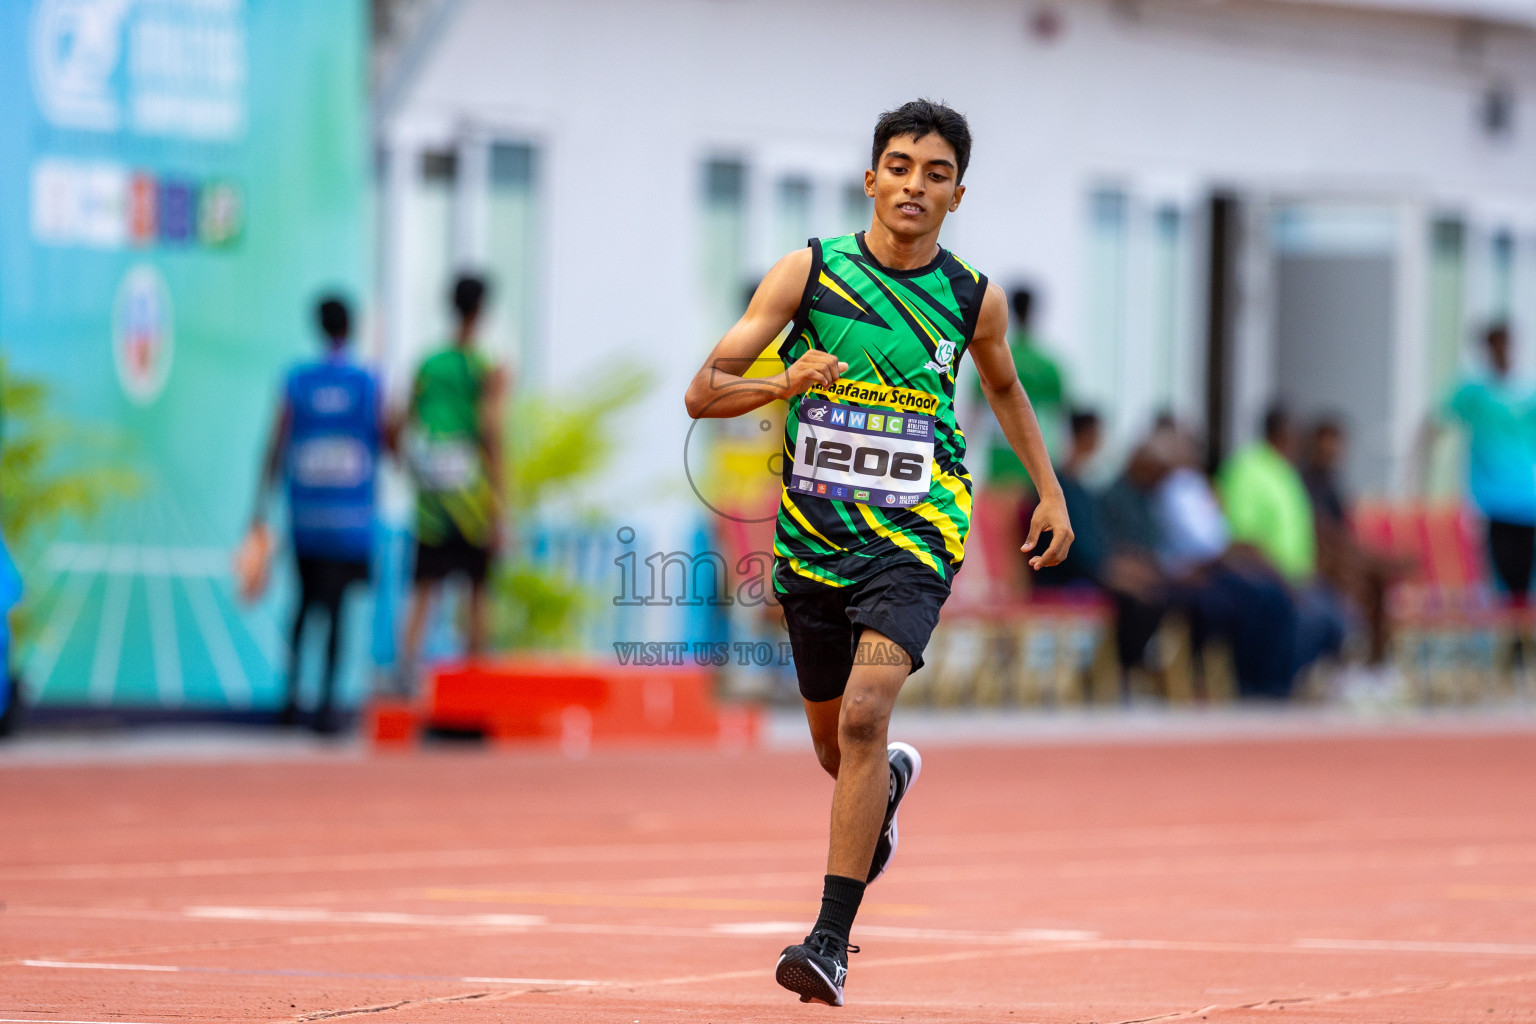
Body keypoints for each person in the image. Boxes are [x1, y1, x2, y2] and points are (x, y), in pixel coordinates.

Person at [684, 100, 1071, 1007]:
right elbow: (703, 392)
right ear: (871, 179)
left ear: (958, 194)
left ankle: (829, 942)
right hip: (815, 543)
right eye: (899, 167)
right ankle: (887, 785)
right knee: (837, 746)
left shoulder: (975, 297)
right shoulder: (809, 273)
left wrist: (1049, 491)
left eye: (935, 174)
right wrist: (786, 377)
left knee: (865, 713)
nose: (914, 185)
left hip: (917, 534)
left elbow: (1007, 392)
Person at [250, 295, 383, 733]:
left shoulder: (298, 380)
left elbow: (275, 443)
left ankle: (289, 701)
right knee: (337, 612)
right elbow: (392, 438)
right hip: (350, 523)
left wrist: (259, 507)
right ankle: (326, 707)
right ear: (353, 326)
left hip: (306, 518)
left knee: (303, 606)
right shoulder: (366, 381)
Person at [396, 275, 507, 687]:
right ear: (481, 312)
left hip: (431, 495)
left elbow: (402, 421)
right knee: (477, 591)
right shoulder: (487, 367)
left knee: (424, 586)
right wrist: (500, 498)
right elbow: (491, 431)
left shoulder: (427, 364)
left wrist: (412, 467)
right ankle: (475, 681)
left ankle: (406, 674)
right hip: (472, 495)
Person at [1217, 406, 1347, 683]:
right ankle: (1271, 691)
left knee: (1341, 619)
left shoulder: (1285, 471)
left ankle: (1296, 686)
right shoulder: (1249, 469)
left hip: (1297, 576)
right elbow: (1243, 537)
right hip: (1263, 574)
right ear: (1280, 435)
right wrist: (1283, 579)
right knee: (1306, 616)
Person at [1432, 322, 1536, 602]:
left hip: (1529, 500)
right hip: (1492, 502)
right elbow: (1435, 425)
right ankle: (1511, 640)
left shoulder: (1528, 393)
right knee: (1501, 581)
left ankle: (1522, 640)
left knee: (1526, 583)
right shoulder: (1474, 394)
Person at [1034, 409, 1106, 589]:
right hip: (1061, 577)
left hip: (1084, 569)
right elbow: (1070, 550)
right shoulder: (1057, 487)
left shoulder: (1079, 486)